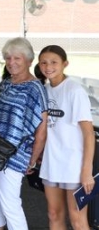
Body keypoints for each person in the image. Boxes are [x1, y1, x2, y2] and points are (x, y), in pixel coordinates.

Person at [0, 37, 48, 230]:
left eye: (17, 58)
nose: (11, 63)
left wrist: (32, 160)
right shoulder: (6, 83)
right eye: (8, 58)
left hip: (13, 157)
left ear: (29, 61)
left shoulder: (35, 88)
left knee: (10, 206)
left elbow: (42, 129)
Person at [38, 45, 94, 230]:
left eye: (54, 62)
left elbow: (88, 133)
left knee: (77, 219)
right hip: (51, 163)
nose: (48, 67)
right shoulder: (44, 90)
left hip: (73, 166)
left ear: (65, 64)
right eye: (44, 62)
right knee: (54, 214)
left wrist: (86, 171)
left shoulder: (74, 91)